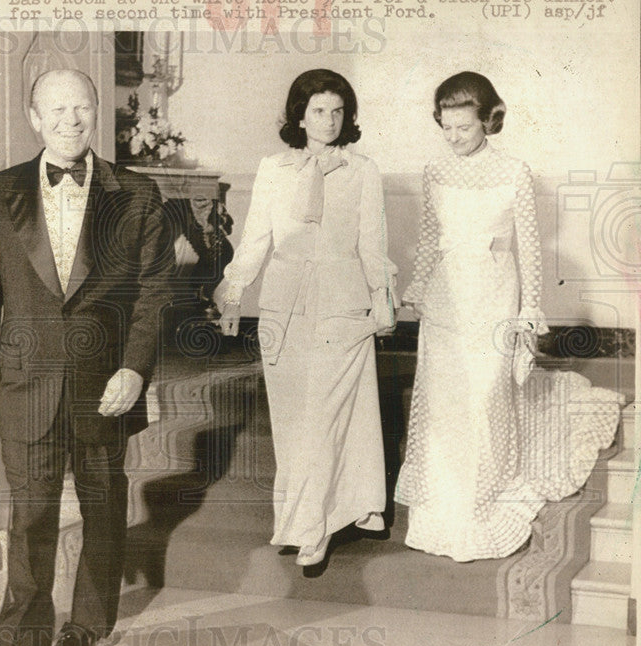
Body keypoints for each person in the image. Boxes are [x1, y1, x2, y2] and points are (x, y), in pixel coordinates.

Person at [0, 69, 174, 646]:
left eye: (82, 107)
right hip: (23, 383)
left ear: (97, 113)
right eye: (56, 109)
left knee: (104, 505)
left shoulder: (136, 193)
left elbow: (154, 294)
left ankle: (89, 619)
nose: (71, 120)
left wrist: (134, 369)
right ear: (33, 117)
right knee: (29, 514)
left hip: (104, 383)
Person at [395, 71, 623, 561]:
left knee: (485, 395)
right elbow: (432, 241)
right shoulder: (434, 172)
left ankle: (483, 502)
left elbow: (531, 251)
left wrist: (529, 312)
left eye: (464, 127)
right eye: (446, 127)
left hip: (495, 295)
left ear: (488, 121)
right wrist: (416, 287)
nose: (454, 137)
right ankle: (442, 509)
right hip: (445, 297)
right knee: (444, 401)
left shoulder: (515, 171)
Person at [219, 69, 397, 567]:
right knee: (297, 419)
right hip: (283, 304)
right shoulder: (274, 169)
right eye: (319, 110)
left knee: (331, 411)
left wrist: (382, 300)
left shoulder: (363, 170)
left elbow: (372, 242)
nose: (330, 120)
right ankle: (363, 503)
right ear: (299, 114)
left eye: (339, 111)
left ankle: (311, 528)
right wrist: (234, 296)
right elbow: (256, 239)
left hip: (342, 300)